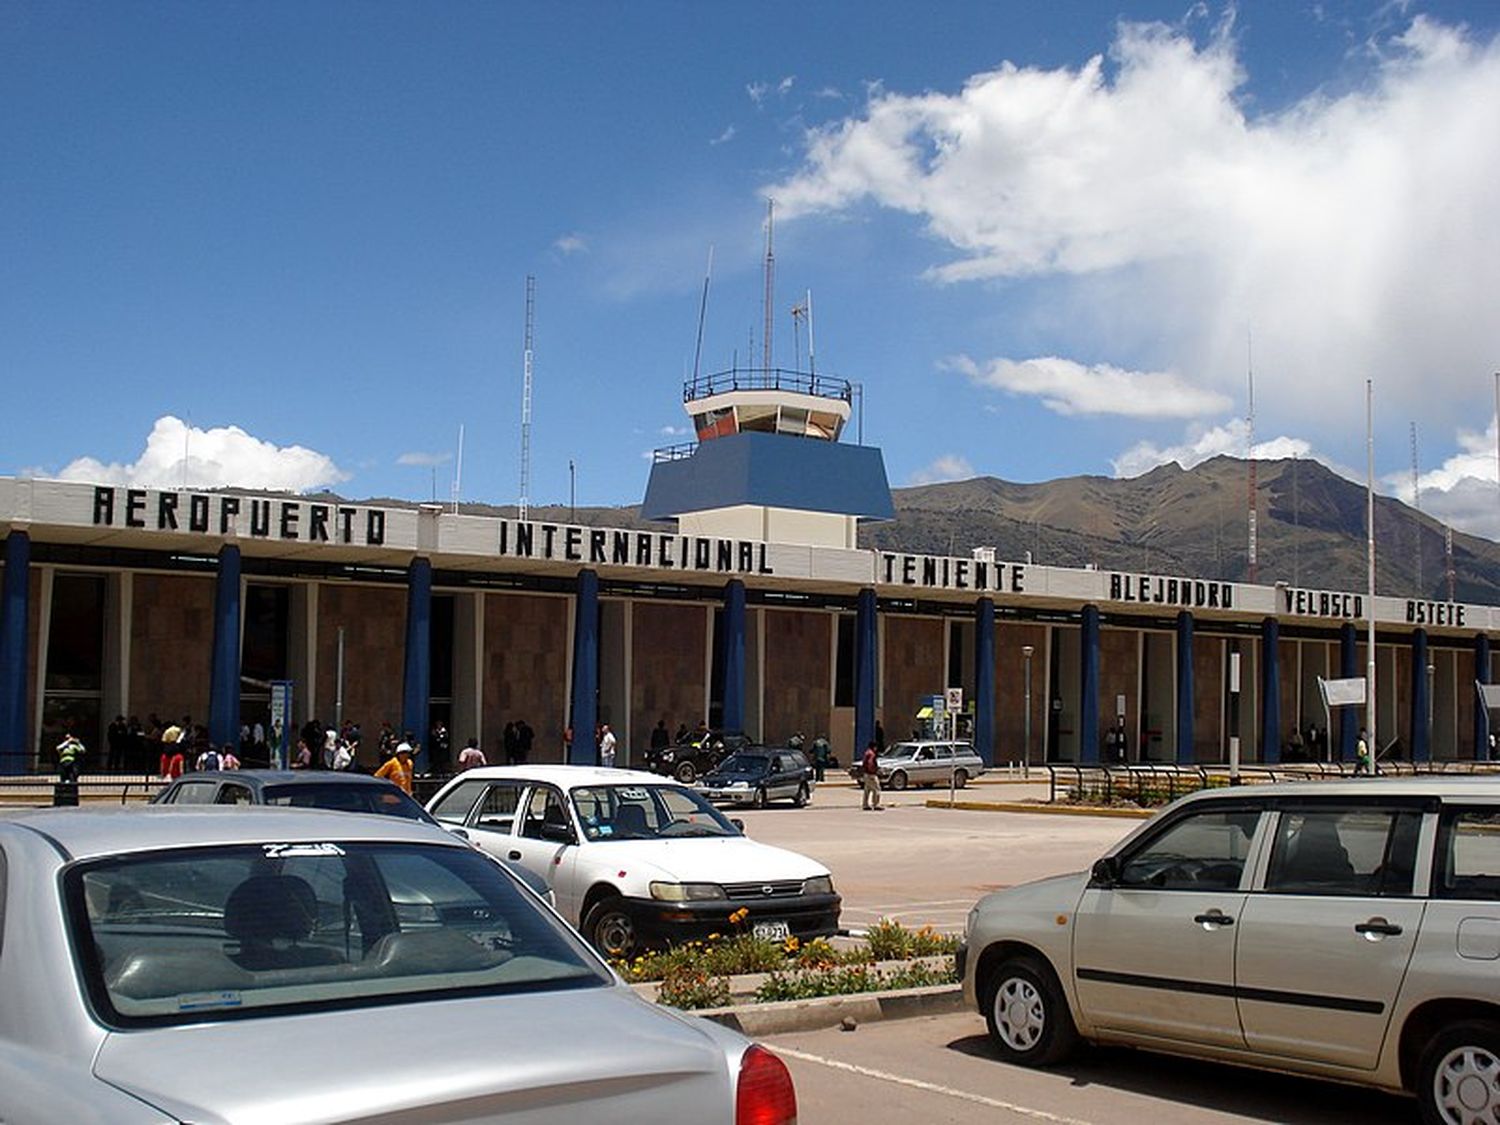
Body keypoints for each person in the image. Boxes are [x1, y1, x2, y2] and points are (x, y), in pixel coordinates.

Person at [860, 739, 882, 811]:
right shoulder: (872, 754)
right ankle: (876, 804)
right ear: (874, 747)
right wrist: (874, 770)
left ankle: (865, 804)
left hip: (866, 774)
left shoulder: (867, 752)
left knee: (867, 790)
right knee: (877, 789)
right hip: (871, 774)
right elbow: (870, 763)